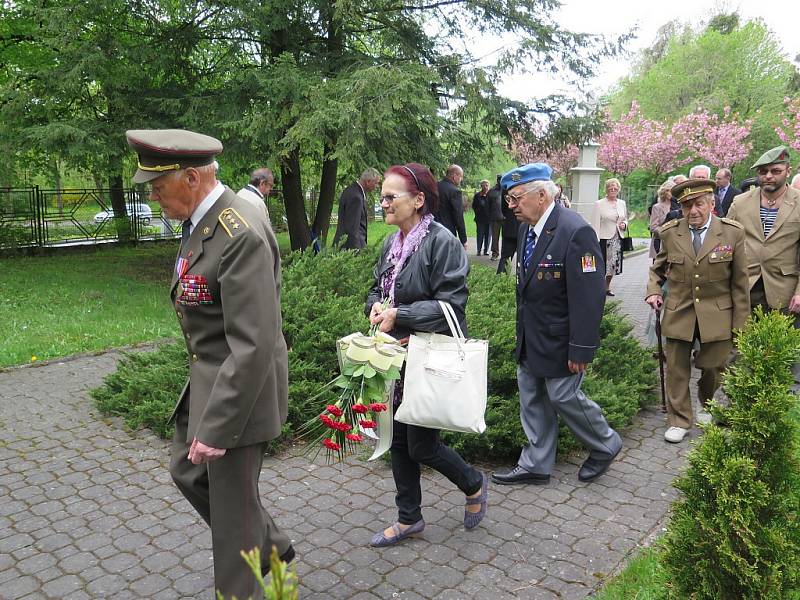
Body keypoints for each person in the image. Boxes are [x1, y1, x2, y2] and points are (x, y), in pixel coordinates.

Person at [125, 129, 293, 599]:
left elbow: (254, 342)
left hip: (241, 391)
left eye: (158, 187)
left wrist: (217, 427)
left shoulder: (239, 234)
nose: (153, 196)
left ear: (193, 178)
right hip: (211, 378)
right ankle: (274, 546)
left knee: (233, 522)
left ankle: (249, 581)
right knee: (186, 470)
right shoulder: (204, 223)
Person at [366, 162, 487, 546]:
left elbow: (451, 306)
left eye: (390, 196)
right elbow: (377, 288)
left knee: (419, 444)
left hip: (426, 358)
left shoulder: (441, 241)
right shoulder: (391, 242)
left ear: (418, 200)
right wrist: (374, 306)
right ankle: (409, 518)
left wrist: (400, 314)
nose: (382, 203)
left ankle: (473, 482)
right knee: (398, 439)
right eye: (381, 196)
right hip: (394, 359)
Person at [491, 163, 622, 486]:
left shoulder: (574, 231)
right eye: (509, 200)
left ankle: (605, 444)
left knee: (563, 396)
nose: (512, 206)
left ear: (541, 195)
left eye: (516, 199)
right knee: (531, 396)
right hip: (531, 335)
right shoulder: (526, 229)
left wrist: (581, 347)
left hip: (562, 339)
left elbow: (589, 297)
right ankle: (536, 463)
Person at [646, 178, 749, 443]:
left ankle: (708, 406)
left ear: (711, 204)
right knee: (677, 368)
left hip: (717, 312)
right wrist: (654, 290)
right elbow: (657, 269)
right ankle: (679, 419)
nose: (693, 211)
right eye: (687, 205)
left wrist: (741, 324)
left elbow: (740, 283)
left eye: (699, 204)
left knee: (714, 368)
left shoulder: (732, 233)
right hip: (680, 309)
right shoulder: (670, 232)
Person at [727, 145, 800, 325]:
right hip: (746, 289)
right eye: (763, 171)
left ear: (788, 171)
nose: (768, 176)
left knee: (783, 349)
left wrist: (799, 292)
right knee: (743, 348)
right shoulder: (740, 202)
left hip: (785, 292)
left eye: (775, 171)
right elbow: (723, 241)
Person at [591, 178, 628, 296]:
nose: (613, 189)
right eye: (610, 187)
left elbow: (625, 218)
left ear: (618, 189)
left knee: (613, 265)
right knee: (602, 265)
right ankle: (598, 287)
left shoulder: (622, 203)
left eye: (615, 187)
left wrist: (624, 225)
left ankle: (607, 287)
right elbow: (595, 223)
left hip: (617, 238)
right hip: (603, 238)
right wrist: (594, 241)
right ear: (606, 189)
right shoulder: (599, 204)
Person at [332, 168, 382, 250]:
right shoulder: (356, 197)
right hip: (349, 248)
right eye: (376, 183)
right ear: (368, 181)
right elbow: (352, 229)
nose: (377, 186)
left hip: (344, 244)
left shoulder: (350, 190)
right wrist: (357, 252)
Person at [435, 164, 468, 248]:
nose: (461, 179)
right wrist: (463, 240)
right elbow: (458, 216)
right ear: (454, 176)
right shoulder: (455, 191)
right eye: (461, 176)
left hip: (431, 229)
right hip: (447, 232)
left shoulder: (434, 187)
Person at [496, 183, 521, 275]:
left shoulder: (507, 188)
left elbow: (503, 208)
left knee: (505, 257)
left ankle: (501, 281)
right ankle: (521, 281)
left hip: (509, 226)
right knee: (522, 258)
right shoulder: (528, 187)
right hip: (523, 227)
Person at [649, 180, 675, 260]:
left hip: (675, 243)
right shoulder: (657, 207)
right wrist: (665, 231)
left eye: (672, 190)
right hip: (660, 242)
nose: (670, 193)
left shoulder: (679, 206)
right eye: (668, 190)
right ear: (664, 192)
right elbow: (653, 227)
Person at [487, 175, 505, 260]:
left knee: (506, 237)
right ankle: (495, 253)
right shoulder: (492, 191)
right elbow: (487, 205)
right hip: (495, 217)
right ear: (497, 180)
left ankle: (505, 253)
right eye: (499, 180)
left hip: (506, 218)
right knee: (495, 237)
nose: (500, 182)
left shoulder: (507, 190)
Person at [472, 179, 491, 256]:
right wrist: (479, 211)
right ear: (481, 186)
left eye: (487, 185)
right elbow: (474, 206)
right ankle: (478, 250)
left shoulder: (490, 195)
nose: (486, 187)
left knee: (488, 235)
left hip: (489, 219)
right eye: (484, 185)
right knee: (480, 235)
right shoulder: (477, 195)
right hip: (480, 219)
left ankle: (486, 250)